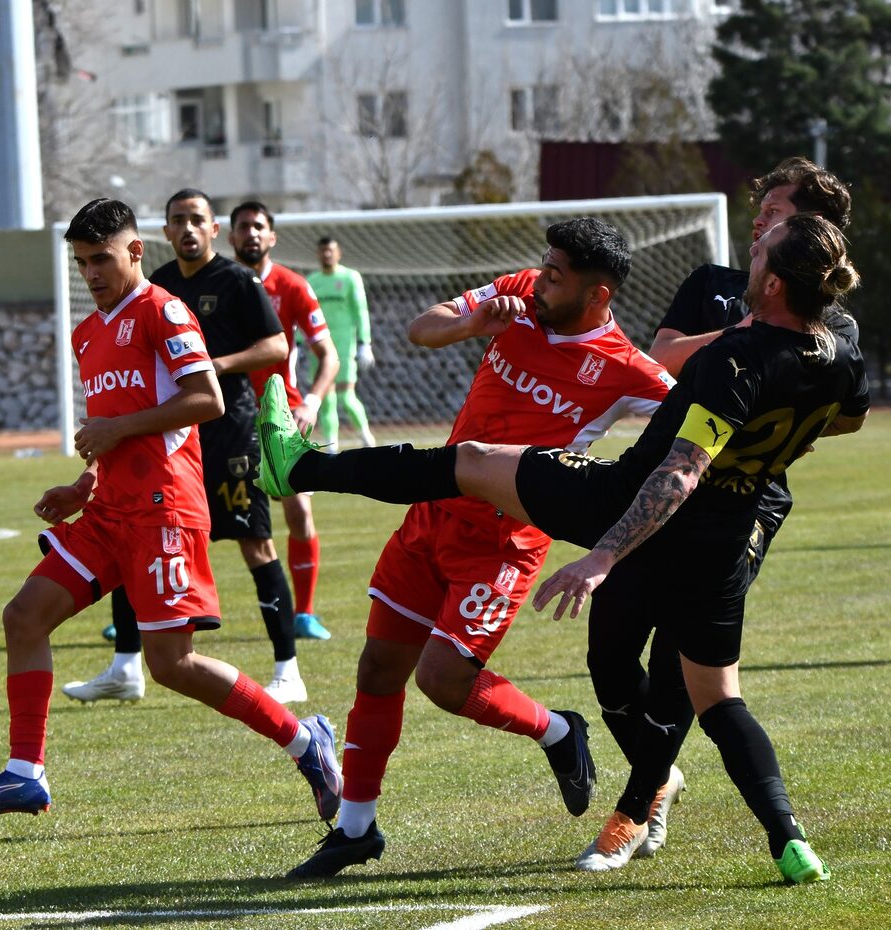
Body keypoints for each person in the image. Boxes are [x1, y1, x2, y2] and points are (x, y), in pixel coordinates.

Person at [257, 213, 867, 884]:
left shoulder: (696, 362)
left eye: (759, 256)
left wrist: (606, 552)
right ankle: (789, 841)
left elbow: (682, 460)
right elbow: (838, 418)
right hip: (673, 539)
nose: (744, 266)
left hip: (560, 520)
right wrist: (473, 321)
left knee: (464, 493)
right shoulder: (838, 360)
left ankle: (302, 468)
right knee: (718, 700)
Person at [274, 217, 676, 878]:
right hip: (431, 513)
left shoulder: (625, 370)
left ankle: (557, 730)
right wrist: (473, 321)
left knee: (442, 680)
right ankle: (355, 827)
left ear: (598, 294)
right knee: (378, 669)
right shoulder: (518, 295)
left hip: (502, 543)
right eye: (542, 267)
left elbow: (688, 426)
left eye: (557, 274)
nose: (541, 281)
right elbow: (421, 326)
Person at [0, 198, 341, 823]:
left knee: (172, 666)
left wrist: (116, 430)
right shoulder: (88, 332)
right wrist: (84, 483)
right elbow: (112, 432)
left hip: (165, 510)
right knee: (23, 617)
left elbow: (207, 399)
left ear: (135, 252)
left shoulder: (164, 309)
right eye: (81, 262)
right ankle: (25, 774)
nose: (91, 273)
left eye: (101, 258)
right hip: (108, 512)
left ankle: (304, 741)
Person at [584, 157, 853, 860]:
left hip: (743, 505)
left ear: (814, 229)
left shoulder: (834, 325)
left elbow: (844, 413)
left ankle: (635, 808)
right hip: (661, 489)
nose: (761, 218)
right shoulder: (714, 287)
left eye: (779, 211)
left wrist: (775, 422)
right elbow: (665, 355)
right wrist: (744, 343)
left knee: (685, 663)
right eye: (762, 208)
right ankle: (662, 780)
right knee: (609, 651)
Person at [61, 189, 310, 705]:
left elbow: (278, 347)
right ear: (164, 233)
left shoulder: (237, 280)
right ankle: (126, 666)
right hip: (156, 439)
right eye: (178, 220)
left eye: (197, 219)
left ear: (213, 228)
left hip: (230, 429)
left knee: (255, 545)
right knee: (133, 541)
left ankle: (287, 668)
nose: (188, 228)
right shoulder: (148, 290)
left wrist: (211, 367)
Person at [230, 200, 341, 641]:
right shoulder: (218, 285)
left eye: (259, 226)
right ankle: (142, 616)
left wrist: (311, 402)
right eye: (243, 227)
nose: (251, 233)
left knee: (297, 510)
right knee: (188, 511)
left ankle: (304, 614)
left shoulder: (293, 286)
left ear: (272, 237)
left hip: (281, 415)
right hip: (222, 415)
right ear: (231, 235)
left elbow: (327, 354)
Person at [306, 236, 376, 449]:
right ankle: (331, 446)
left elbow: (360, 311)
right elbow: (306, 316)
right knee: (326, 399)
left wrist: (365, 343)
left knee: (346, 396)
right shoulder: (312, 280)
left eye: (331, 250)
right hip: (318, 348)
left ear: (338, 253)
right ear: (318, 254)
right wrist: (299, 343)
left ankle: (366, 436)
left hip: (345, 347)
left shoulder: (350, 278)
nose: (327, 254)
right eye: (323, 251)